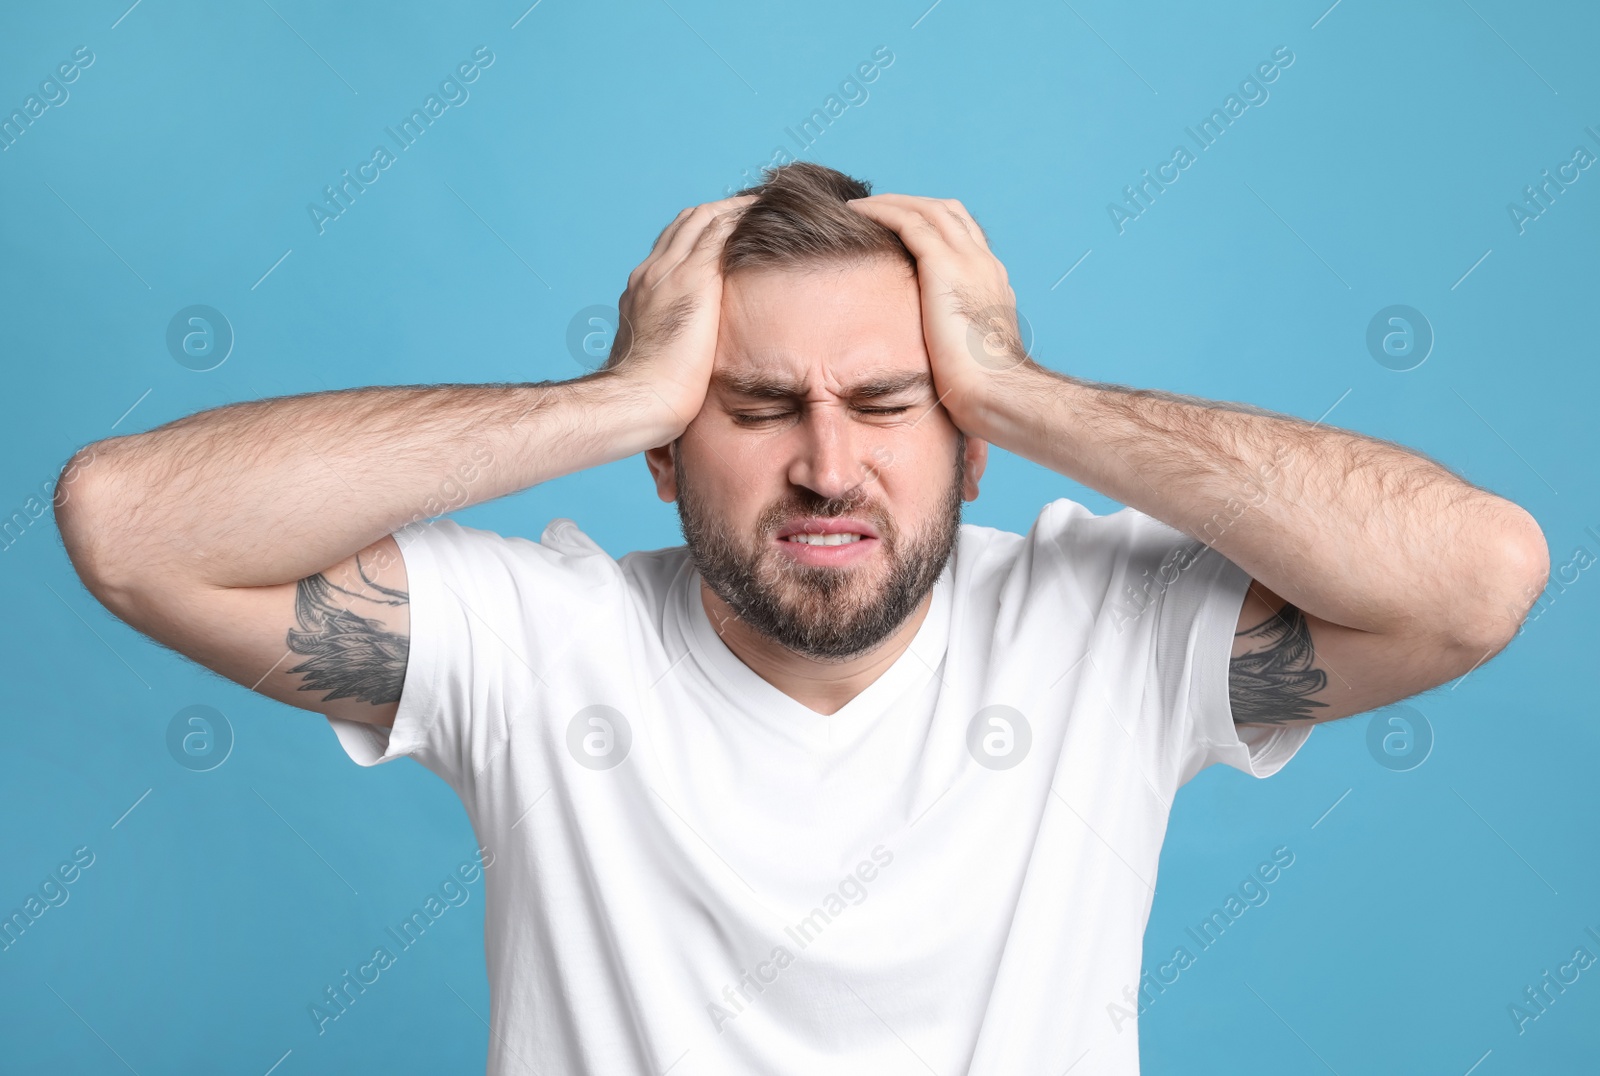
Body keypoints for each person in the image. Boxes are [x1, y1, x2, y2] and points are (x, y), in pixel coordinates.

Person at [55, 161, 1547, 1075]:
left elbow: (1477, 575)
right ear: (664, 452)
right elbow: (127, 526)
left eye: (890, 405)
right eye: (758, 407)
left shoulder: (1111, 636)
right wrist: (606, 397)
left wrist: (1031, 391)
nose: (828, 464)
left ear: (967, 440)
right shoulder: (535, 643)